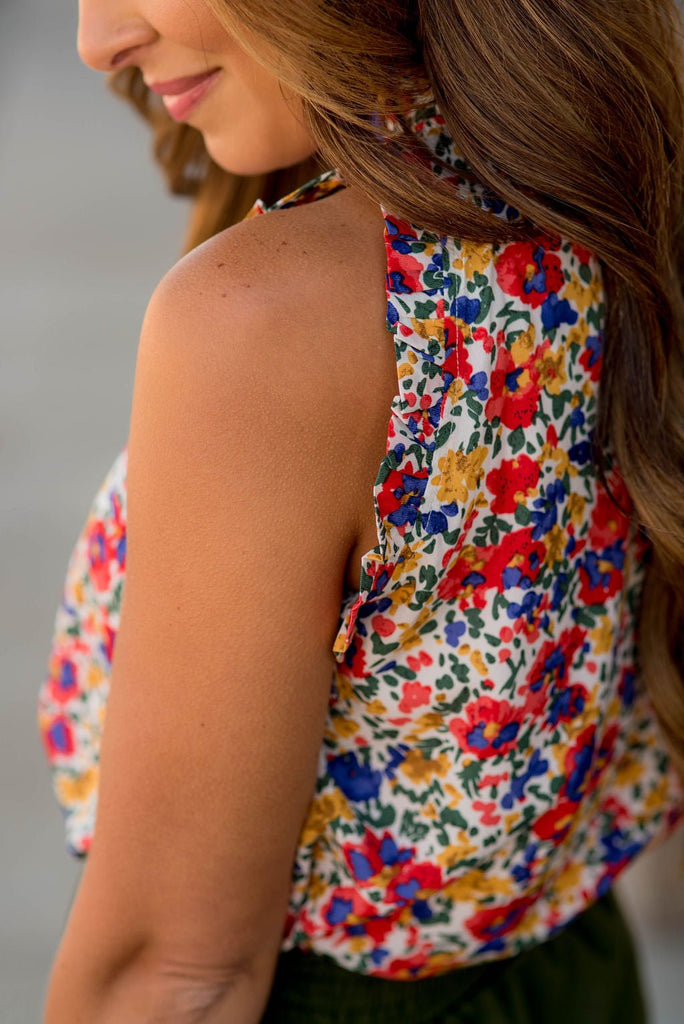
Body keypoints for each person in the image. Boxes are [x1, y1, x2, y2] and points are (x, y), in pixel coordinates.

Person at [37, 1, 684, 1021]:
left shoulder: (269, 325)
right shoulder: (625, 185)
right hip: (579, 978)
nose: (96, 40)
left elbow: (177, 975)